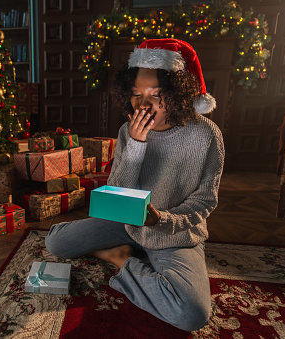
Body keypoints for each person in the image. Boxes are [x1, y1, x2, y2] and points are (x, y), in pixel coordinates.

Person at [45, 39, 225, 332]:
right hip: (126, 224)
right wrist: (136, 146)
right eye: (136, 94)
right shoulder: (128, 132)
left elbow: (205, 202)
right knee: (54, 242)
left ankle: (122, 258)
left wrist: (160, 219)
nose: (143, 104)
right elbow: (116, 194)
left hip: (174, 234)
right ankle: (126, 244)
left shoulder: (207, 135)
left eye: (156, 94)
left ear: (177, 93)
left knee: (192, 314)